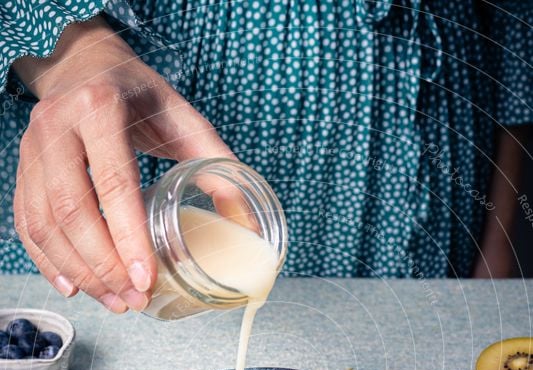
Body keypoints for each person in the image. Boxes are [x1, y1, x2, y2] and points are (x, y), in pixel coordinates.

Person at [0, 1, 531, 314]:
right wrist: (75, 53)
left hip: (438, 129)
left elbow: (515, 17)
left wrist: (500, 235)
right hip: (164, 87)